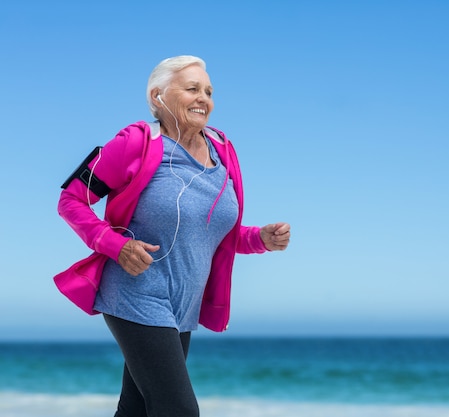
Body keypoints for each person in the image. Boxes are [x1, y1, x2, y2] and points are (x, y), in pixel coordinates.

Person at [56, 55, 291, 417]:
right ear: (158, 96)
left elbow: (217, 235)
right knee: (178, 410)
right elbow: (71, 200)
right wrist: (115, 246)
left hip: (183, 305)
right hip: (136, 294)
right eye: (192, 88)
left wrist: (260, 238)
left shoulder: (223, 152)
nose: (204, 98)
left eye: (209, 91)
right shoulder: (136, 142)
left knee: (135, 409)